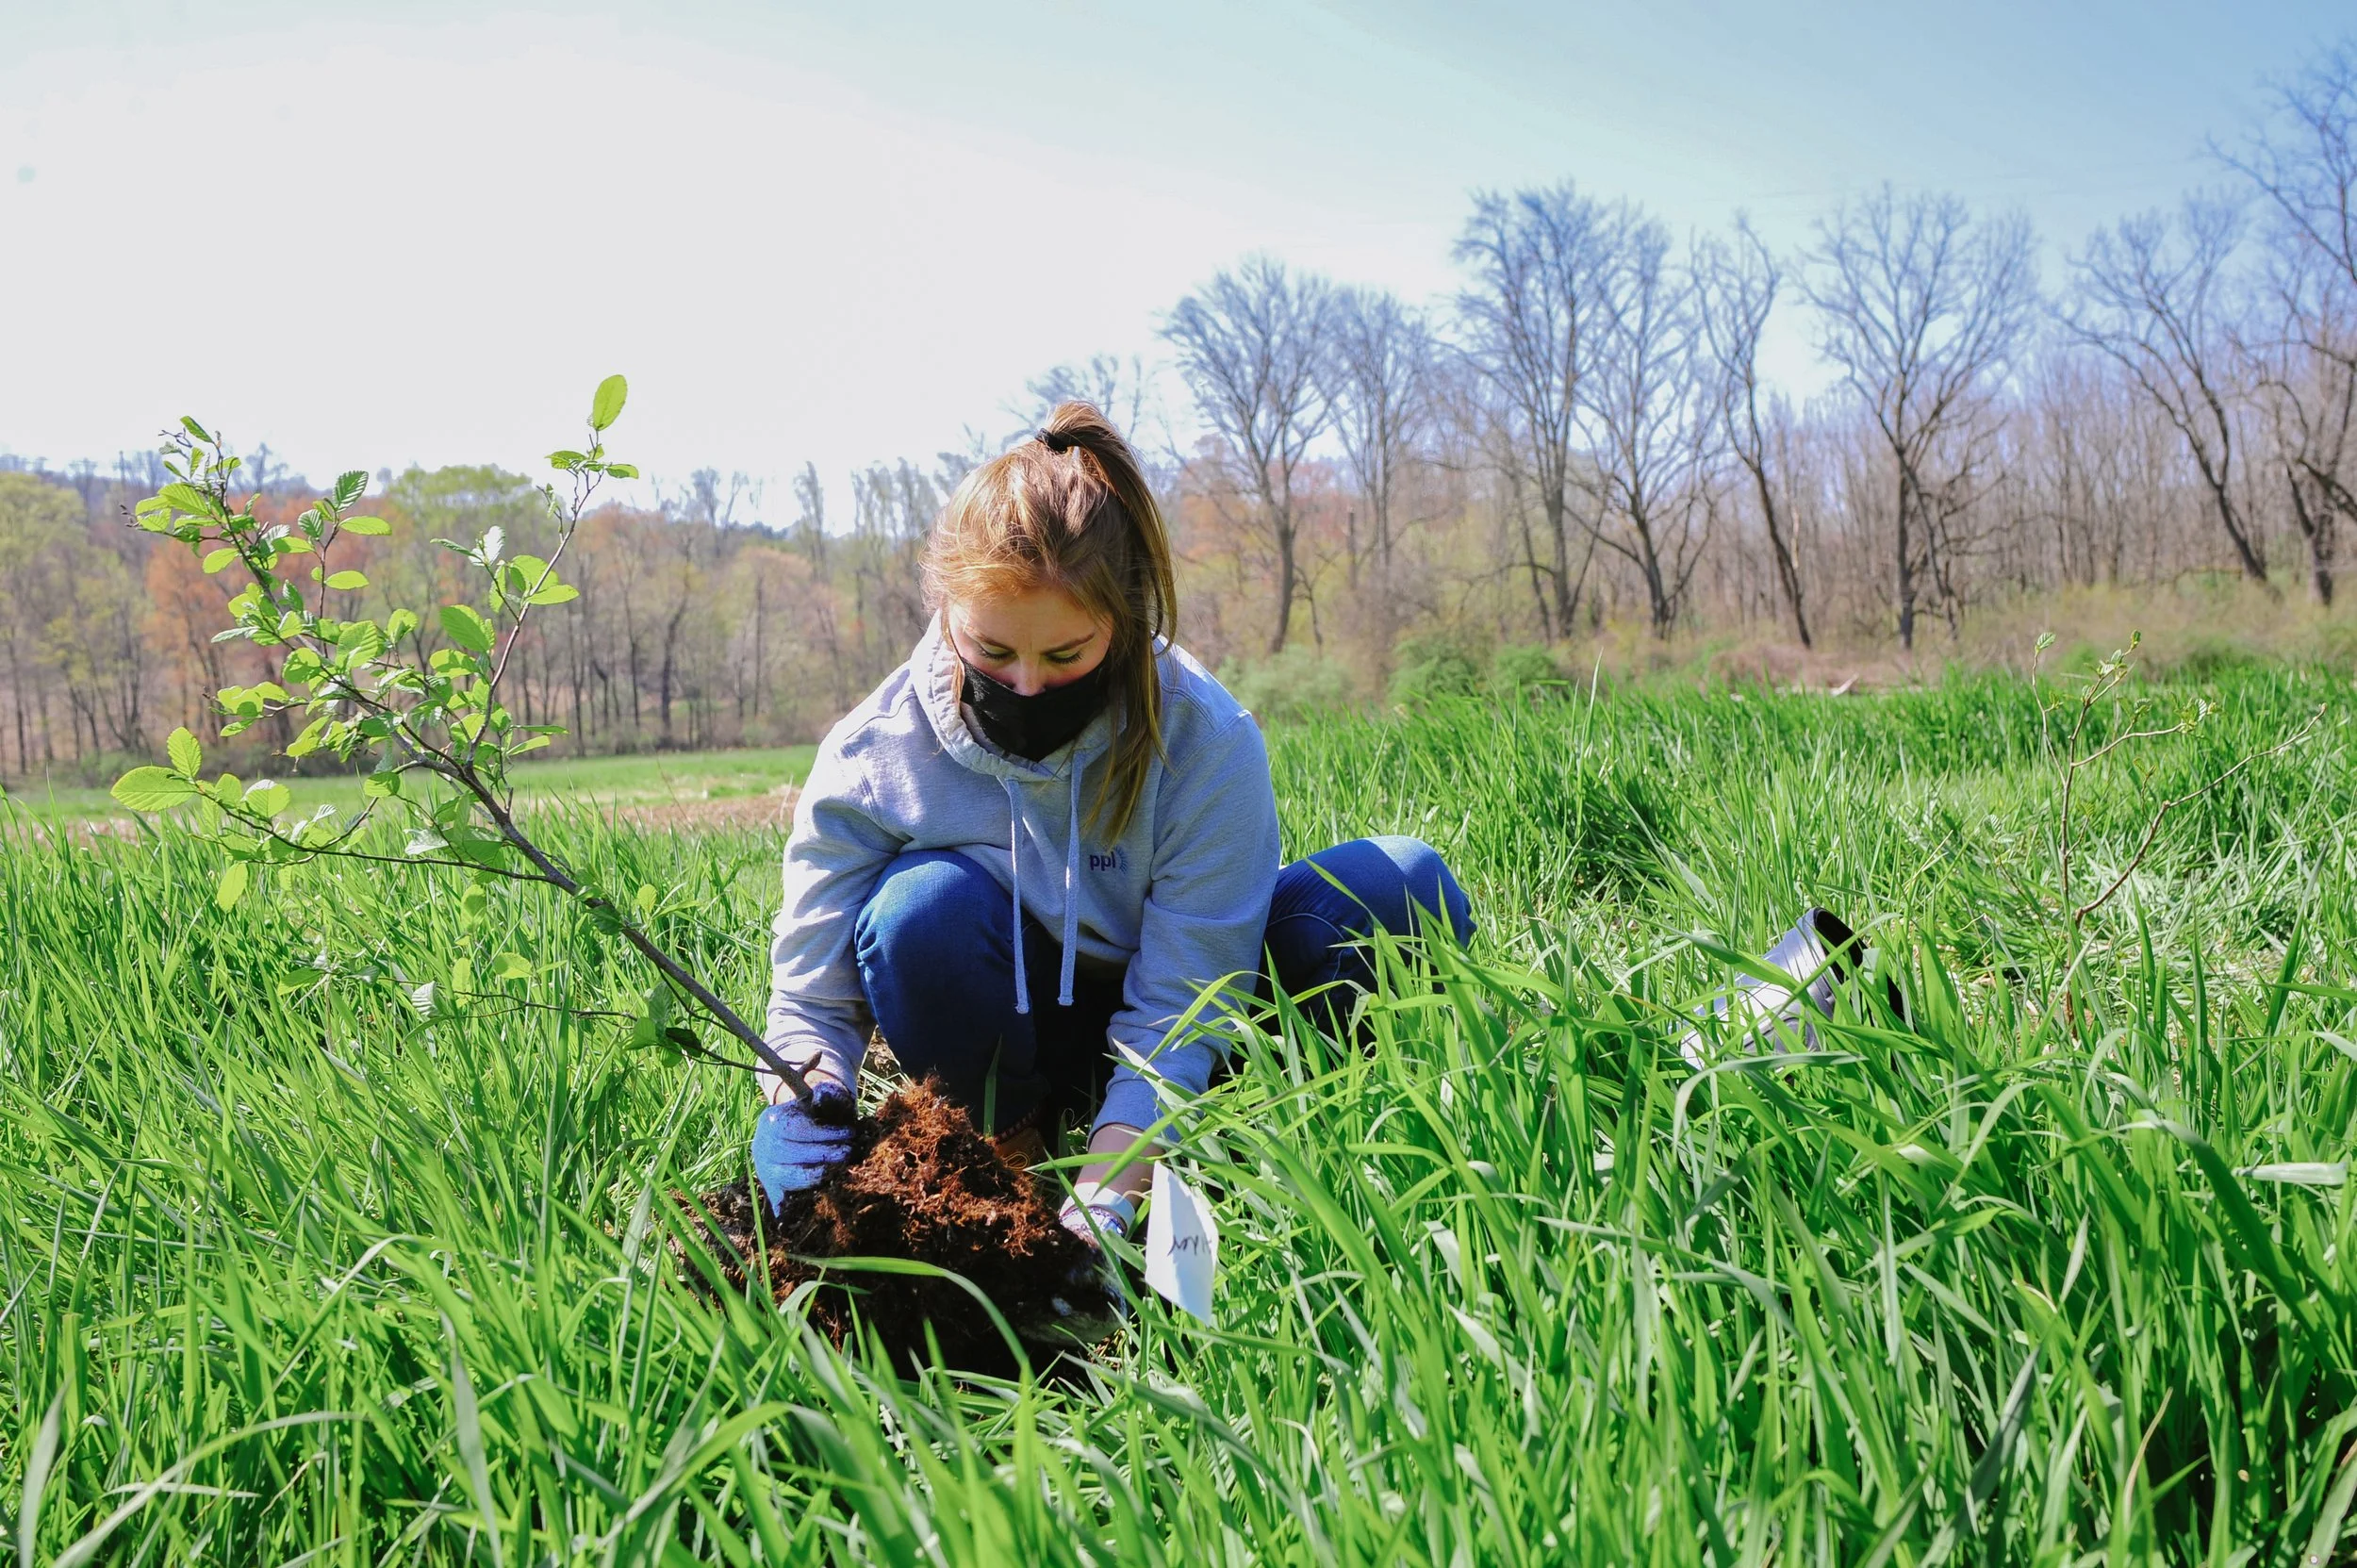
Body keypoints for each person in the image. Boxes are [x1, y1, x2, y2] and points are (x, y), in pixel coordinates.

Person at [748, 402, 1475, 1259]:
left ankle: (1231, 1140)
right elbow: (812, 999)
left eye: (1064, 657)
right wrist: (804, 1090)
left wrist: (1106, 1198)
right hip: (1010, 1029)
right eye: (992, 652)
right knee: (918, 915)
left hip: (1184, 1009)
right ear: (946, 609)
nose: (1024, 686)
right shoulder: (875, 755)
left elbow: (1184, 1003)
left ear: (1123, 624)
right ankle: (1010, 1164)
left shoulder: (1203, 738)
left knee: (1400, 887)